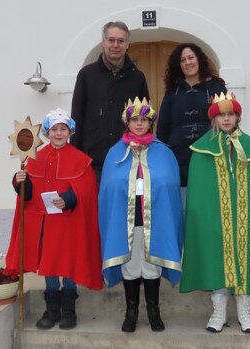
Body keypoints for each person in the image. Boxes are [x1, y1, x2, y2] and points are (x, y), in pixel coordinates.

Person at [180, 92, 250, 334]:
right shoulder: (202, 150)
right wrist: (205, 218)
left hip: (245, 217)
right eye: (221, 114)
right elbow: (200, 192)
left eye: (230, 114)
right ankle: (219, 311)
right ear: (214, 118)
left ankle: (245, 311)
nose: (226, 119)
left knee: (247, 257)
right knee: (216, 259)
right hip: (216, 220)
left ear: (237, 117)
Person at [5, 108, 103, 330]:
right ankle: (51, 309)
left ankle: (68, 309)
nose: (59, 134)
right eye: (55, 129)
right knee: (48, 265)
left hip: (67, 222)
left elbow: (87, 191)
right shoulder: (35, 157)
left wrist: (68, 198)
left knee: (66, 263)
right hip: (43, 223)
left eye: (63, 129)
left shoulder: (81, 159)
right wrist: (18, 180)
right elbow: (27, 193)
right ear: (47, 132)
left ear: (70, 132)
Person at [98, 97, 183, 333]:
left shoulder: (163, 153)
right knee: (131, 266)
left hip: (156, 220)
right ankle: (131, 311)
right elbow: (108, 189)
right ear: (127, 123)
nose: (139, 124)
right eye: (134, 119)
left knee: (151, 266)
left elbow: (170, 186)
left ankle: (154, 311)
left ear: (150, 123)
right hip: (125, 221)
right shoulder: (115, 153)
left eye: (143, 119)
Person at [70, 21, 149, 182]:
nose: (115, 45)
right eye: (111, 40)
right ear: (103, 42)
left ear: (127, 44)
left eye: (121, 41)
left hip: (128, 159)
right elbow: (76, 117)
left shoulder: (137, 78)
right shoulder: (87, 75)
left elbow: (146, 117)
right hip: (92, 162)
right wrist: (75, 156)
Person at [157, 43, 227, 188]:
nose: (187, 63)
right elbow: (163, 127)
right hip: (178, 158)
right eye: (183, 60)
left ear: (199, 60)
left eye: (191, 58)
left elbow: (228, 121)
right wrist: (163, 156)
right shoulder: (172, 92)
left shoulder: (216, 88)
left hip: (210, 155)